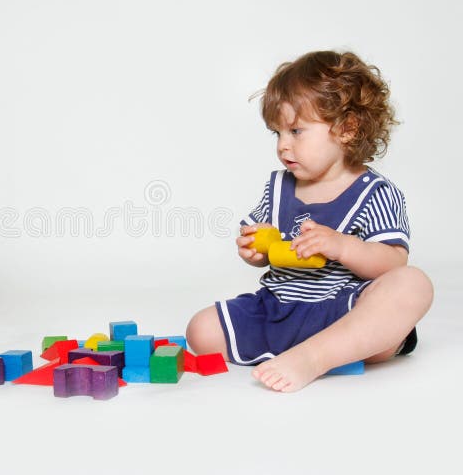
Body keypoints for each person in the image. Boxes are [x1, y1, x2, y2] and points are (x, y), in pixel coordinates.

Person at [186, 50, 434, 392]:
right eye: (277, 134)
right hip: (281, 306)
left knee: (412, 284)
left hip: (344, 309)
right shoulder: (278, 188)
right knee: (200, 329)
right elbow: (264, 249)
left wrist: (342, 246)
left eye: (296, 131)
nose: (283, 147)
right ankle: (312, 348)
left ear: (347, 129)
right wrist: (254, 250)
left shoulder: (374, 192)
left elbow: (393, 261)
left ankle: (316, 357)